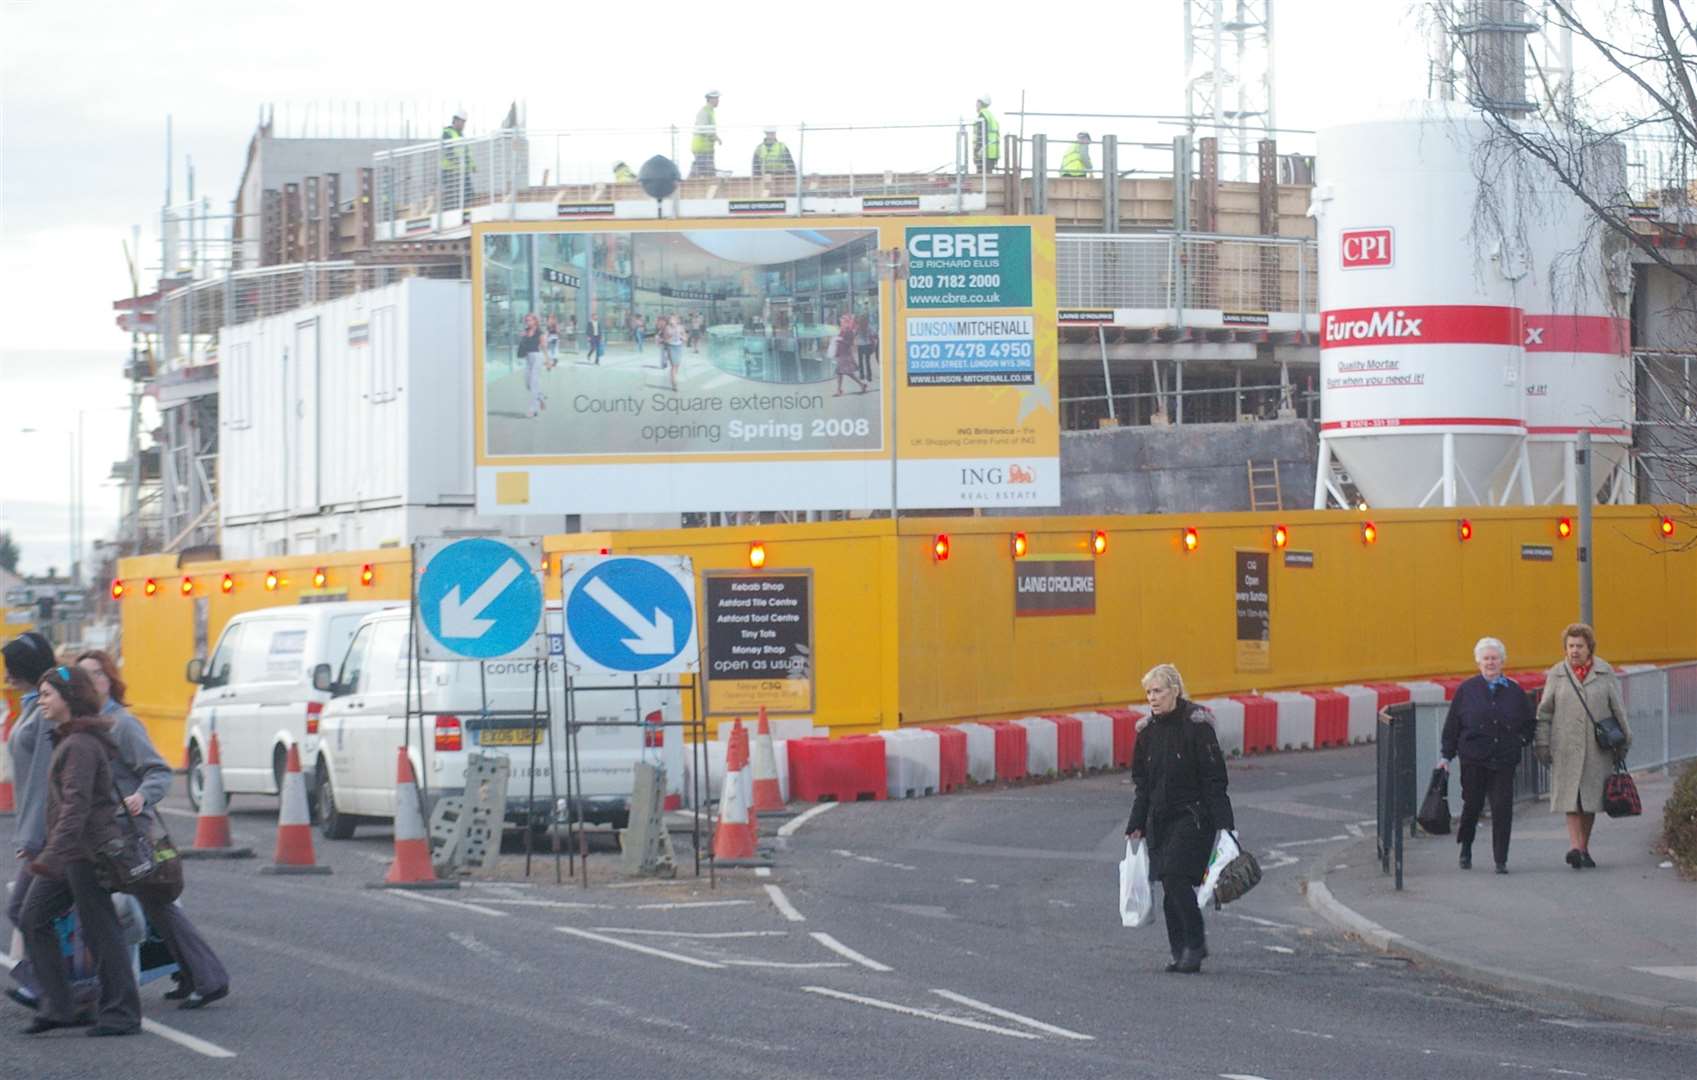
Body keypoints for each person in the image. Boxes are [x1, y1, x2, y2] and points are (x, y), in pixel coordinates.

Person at [77, 651, 229, 1009]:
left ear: (108, 679)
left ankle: (209, 978)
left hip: (129, 833)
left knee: (157, 904)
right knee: (155, 906)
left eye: (95, 674)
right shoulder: (89, 725)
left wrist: (140, 797)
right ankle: (194, 975)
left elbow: (158, 771)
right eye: (82, 676)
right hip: (107, 834)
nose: (90, 682)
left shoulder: (122, 724)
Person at [18, 664, 139, 1035]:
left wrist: (52, 854)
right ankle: (59, 1006)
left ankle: (121, 1014)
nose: (41, 701)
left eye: (47, 694)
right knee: (32, 917)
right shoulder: (70, 738)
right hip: (71, 852)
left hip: (85, 852)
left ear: (68, 698)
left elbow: (76, 806)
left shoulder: (81, 745)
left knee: (100, 928)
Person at [1125, 663, 1233, 974]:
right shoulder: (1147, 733)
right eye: (1148, 692)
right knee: (1170, 888)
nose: (1152, 698)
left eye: (1158, 691)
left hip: (1194, 816)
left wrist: (1226, 825)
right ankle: (1180, 950)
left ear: (1175, 690)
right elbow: (1142, 783)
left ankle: (1195, 943)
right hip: (1160, 818)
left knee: (1174, 876)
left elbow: (1215, 779)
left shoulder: (1197, 726)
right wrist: (1136, 823)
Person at [1536, 622, 1631, 869]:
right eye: (1570, 646)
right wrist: (1542, 744)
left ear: (1590, 648)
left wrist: (1624, 742)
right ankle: (1576, 847)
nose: (1574, 651)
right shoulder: (1557, 674)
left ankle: (1582, 848)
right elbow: (1545, 712)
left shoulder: (1604, 672)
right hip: (1565, 748)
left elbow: (1618, 709)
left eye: (1579, 646)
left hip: (1596, 750)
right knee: (1571, 800)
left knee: (1588, 801)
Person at [1440, 636, 1535, 873]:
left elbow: (1529, 723)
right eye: (1486, 659)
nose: (1490, 663)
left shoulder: (1514, 691)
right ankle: (1466, 847)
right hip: (1474, 758)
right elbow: (1453, 725)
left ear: (1502, 661)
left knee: (1502, 808)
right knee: (1472, 806)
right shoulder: (1467, 690)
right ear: (1478, 662)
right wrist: (1446, 755)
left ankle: (1500, 859)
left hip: (1503, 759)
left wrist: (1520, 741)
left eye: (1494, 658)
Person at [4, 632, 57, 943]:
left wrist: (31, 835)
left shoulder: (44, 711)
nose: (6, 674)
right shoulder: (31, 705)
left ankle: (52, 985)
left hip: (46, 833)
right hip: (41, 829)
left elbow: (42, 777)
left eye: (11, 667)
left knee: (25, 911)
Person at [440, 110, 474, 210]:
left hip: (462, 170)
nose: (463, 124)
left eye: (464, 122)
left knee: (468, 194)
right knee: (451, 196)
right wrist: (458, 161)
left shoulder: (461, 135)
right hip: (450, 171)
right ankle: (450, 214)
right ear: (455, 120)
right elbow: (449, 151)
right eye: (461, 121)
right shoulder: (447, 133)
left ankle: (463, 212)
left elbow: (466, 153)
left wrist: (472, 165)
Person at [516, 313, 545, 418]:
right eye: (526, 320)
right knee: (528, 384)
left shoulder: (540, 332)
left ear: (535, 321)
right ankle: (540, 396)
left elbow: (544, 347)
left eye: (530, 320)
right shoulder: (525, 331)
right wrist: (522, 337)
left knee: (533, 383)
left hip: (537, 357)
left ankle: (533, 409)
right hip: (527, 358)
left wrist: (548, 360)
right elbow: (522, 345)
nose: (528, 322)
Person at [831, 314, 868, 397]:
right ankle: (840, 389)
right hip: (841, 353)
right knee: (840, 372)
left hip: (845, 354)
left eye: (843, 320)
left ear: (847, 321)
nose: (841, 321)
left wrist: (840, 341)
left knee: (846, 372)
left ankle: (861, 384)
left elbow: (850, 343)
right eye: (841, 320)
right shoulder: (842, 330)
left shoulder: (849, 331)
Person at [691, 90, 722, 178]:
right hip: (701, 147)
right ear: (711, 99)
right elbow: (703, 129)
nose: (718, 101)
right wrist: (716, 138)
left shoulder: (710, 111)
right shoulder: (704, 112)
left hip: (706, 148)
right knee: (707, 172)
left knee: (702, 171)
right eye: (716, 98)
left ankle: (689, 183)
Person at [973, 93, 1000, 173]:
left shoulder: (983, 115)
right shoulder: (990, 116)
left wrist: (978, 150)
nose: (976, 105)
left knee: (983, 177)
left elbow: (981, 135)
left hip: (985, 152)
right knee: (988, 175)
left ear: (980, 103)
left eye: (977, 103)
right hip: (992, 152)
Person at [853, 312, 876, 384]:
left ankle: (862, 375)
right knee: (867, 361)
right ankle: (869, 376)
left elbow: (854, 334)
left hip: (860, 345)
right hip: (867, 345)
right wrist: (874, 346)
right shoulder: (868, 327)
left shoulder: (858, 327)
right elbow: (872, 336)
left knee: (860, 361)